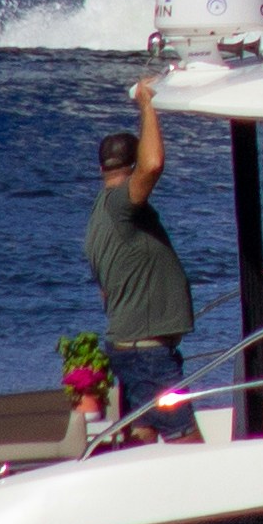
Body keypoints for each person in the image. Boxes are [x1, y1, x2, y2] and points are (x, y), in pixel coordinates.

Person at [87, 83, 197, 436]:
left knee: (145, 437)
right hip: (148, 356)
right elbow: (152, 165)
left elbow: (106, 292)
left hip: (132, 350)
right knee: (189, 443)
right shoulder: (121, 205)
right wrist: (147, 104)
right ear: (129, 167)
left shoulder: (98, 218)